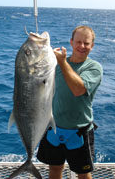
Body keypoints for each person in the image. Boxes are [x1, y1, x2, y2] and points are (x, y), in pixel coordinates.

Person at [37, 25, 103, 179]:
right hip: (54, 128)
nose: (82, 46)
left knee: (83, 173)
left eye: (86, 43)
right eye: (78, 42)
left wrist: (62, 62)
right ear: (71, 42)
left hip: (79, 131)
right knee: (54, 168)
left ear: (92, 46)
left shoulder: (94, 68)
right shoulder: (56, 64)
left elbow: (78, 89)